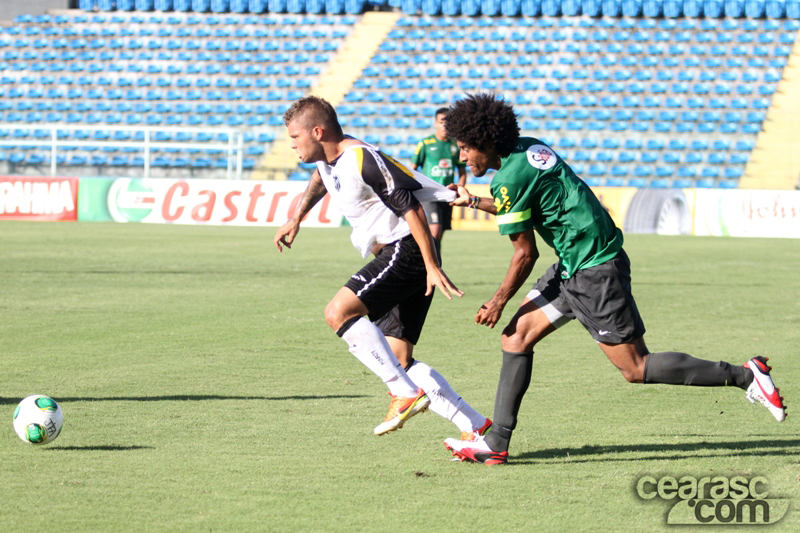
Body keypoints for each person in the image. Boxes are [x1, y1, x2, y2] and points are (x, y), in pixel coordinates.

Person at [440, 93, 787, 465]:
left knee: (635, 367)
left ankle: (746, 376)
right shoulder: (528, 150)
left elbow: (525, 253)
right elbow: (519, 202)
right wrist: (475, 201)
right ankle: (496, 444)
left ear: (487, 142)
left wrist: (497, 300)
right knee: (516, 337)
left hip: (594, 270)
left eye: (464, 147)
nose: (462, 157)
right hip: (576, 263)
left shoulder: (508, 176)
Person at [274, 96, 491, 440]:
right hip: (405, 254)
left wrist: (431, 265)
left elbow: (411, 210)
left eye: (296, 137)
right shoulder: (328, 162)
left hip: (407, 251)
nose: (293, 145)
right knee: (398, 359)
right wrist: (296, 218)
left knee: (338, 312)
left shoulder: (361, 159)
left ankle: (403, 395)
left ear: (317, 131)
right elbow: (320, 180)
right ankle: (475, 426)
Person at [409, 108, 467, 249]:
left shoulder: (455, 145)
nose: (445, 125)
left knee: (439, 233)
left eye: (448, 122)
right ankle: (428, 265)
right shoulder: (425, 144)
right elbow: (412, 169)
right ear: (435, 123)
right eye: (441, 122)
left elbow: (462, 171)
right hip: (430, 194)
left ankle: (434, 264)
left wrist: (460, 188)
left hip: (447, 195)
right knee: (435, 230)